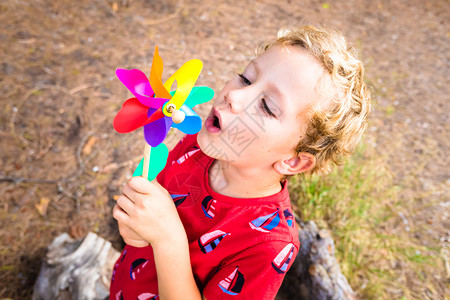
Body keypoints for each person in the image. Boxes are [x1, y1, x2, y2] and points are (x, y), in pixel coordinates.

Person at [110, 25, 371, 300]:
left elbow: (164, 236)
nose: (233, 96)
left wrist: (167, 240)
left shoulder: (269, 245)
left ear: (293, 161)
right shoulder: (198, 146)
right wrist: (135, 225)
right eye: (246, 79)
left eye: (267, 106)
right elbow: (143, 225)